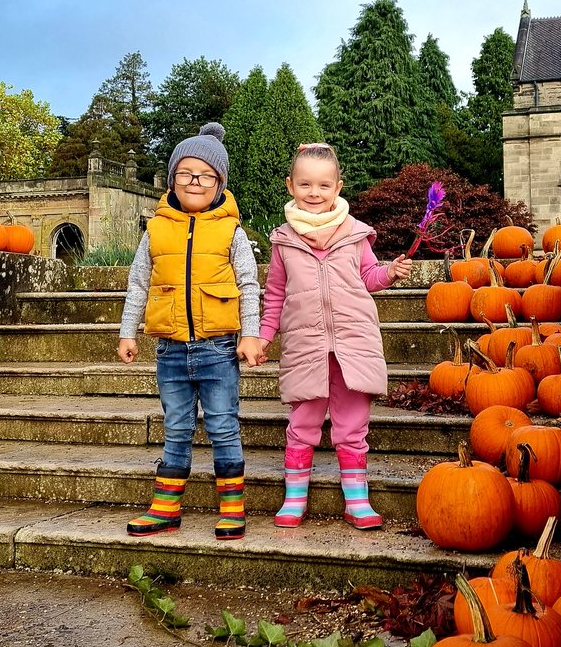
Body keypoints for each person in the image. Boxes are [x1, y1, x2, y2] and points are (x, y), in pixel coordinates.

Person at [238, 142, 412, 530]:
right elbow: (276, 295)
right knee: (303, 422)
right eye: (305, 185)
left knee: (352, 425)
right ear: (290, 185)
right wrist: (264, 337)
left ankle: (357, 500)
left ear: (338, 186)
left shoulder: (355, 234)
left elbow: (368, 277)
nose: (314, 193)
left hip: (353, 343)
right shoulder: (284, 240)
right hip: (305, 346)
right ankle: (294, 497)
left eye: (323, 185)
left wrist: (389, 272)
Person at [117, 122, 259, 540]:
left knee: (222, 425)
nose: (194, 182)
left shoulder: (231, 231)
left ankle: (232, 508)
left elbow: (249, 284)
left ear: (220, 183)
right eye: (185, 173)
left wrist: (250, 334)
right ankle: (165, 508)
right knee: (176, 425)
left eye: (205, 175)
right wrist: (129, 330)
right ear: (172, 178)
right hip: (170, 350)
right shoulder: (155, 229)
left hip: (219, 349)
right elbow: (139, 282)